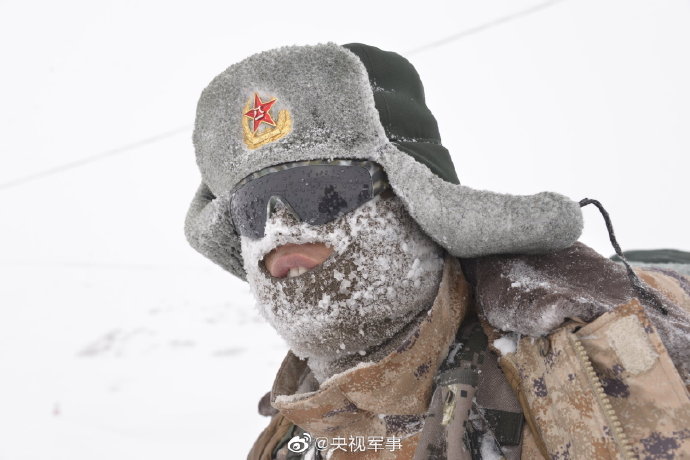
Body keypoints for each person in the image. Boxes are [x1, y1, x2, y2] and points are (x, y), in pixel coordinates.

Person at [184, 43, 690, 459]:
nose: (277, 228)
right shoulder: (295, 428)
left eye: (319, 192)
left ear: (416, 205)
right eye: (251, 209)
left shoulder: (592, 346)